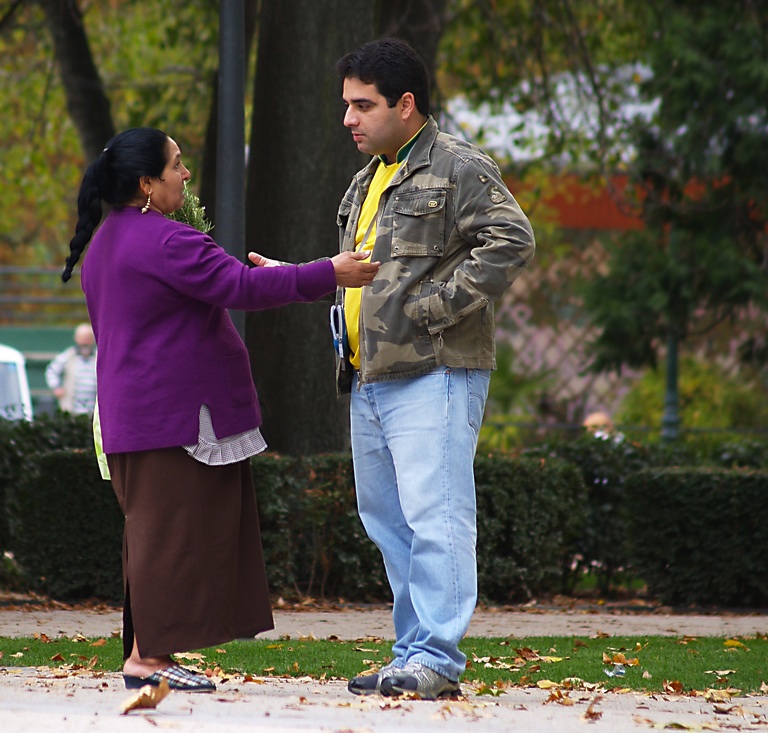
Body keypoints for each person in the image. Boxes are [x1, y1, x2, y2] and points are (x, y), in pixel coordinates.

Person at [61, 127, 378, 693]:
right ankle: (147, 659)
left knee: (155, 535)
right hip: (174, 416)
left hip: (133, 416)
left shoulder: (105, 243)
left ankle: (146, 652)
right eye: (176, 166)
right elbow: (241, 288)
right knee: (170, 535)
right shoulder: (165, 241)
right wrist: (332, 271)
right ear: (146, 183)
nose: (186, 175)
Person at [333, 39, 536, 700]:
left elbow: (513, 238)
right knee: (388, 519)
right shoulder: (368, 178)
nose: (350, 119)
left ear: (406, 103)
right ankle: (410, 653)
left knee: (436, 514)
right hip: (369, 375)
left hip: (435, 371)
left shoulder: (457, 165)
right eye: (347, 105)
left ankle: (437, 657)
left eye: (363, 105)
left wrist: (431, 308)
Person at [44, 322, 97, 415]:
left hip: (93, 409)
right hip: (72, 408)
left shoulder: (98, 357)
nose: (85, 343)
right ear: (76, 339)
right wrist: (56, 387)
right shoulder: (68, 356)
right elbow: (51, 371)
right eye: (82, 339)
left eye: (88, 339)